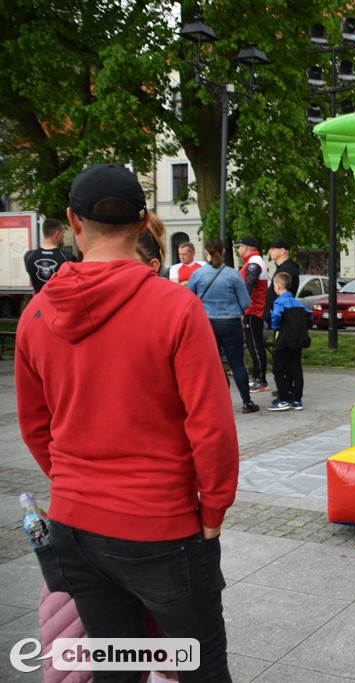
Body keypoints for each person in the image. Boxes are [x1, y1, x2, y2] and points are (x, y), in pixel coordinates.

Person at [15, 163, 238, 682]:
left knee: (116, 667)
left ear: (73, 221)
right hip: (163, 524)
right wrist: (214, 511)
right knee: (201, 667)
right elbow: (211, 426)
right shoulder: (176, 308)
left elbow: (34, 425)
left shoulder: (36, 315)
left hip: (75, 524)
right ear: (143, 223)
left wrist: (74, 483)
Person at [189, 238, 259, 414]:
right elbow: (245, 302)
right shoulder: (233, 274)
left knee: (213, 363)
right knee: (237, 364)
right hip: (231, 322)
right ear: (224, 252)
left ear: (206, 252)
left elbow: (189, 300)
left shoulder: (197, 274)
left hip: (206, 323)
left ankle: (218, 402)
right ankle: (246, 402)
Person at [267, 271, 310, 412]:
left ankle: (283, 398)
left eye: (273, 285)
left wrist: (275, 327)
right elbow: (309, 316)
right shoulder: (297, 303)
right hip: (297, 340)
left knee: (278, 369)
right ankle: (297, 400)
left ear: (278, 286)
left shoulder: (279, 302)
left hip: (283, 340)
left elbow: (276, 318)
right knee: (296, 369)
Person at [236, 235, 269, 392]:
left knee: (255, 345)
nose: (238, 249)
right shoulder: (252, 262)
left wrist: (242, 309)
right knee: (252, 345)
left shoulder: (254, 263)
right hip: (252, 309)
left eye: (239, 246)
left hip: (254, 310)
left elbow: (248, 288)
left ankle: (260, 379)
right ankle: (257, 375)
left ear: (246, 247)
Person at [24, 217, 78, 293]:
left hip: (38, 301)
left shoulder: (29, 256)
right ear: (57, 234)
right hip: (58, 302)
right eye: (63, 233)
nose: (63, 236)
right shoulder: (68, 257)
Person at [263, 237, 300, 331]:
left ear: (282, 250)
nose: (270, 251)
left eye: (273, 249)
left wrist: (273, 310)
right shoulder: (283, 268)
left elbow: (283, 293)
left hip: (281, 316)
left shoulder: (287, 269)